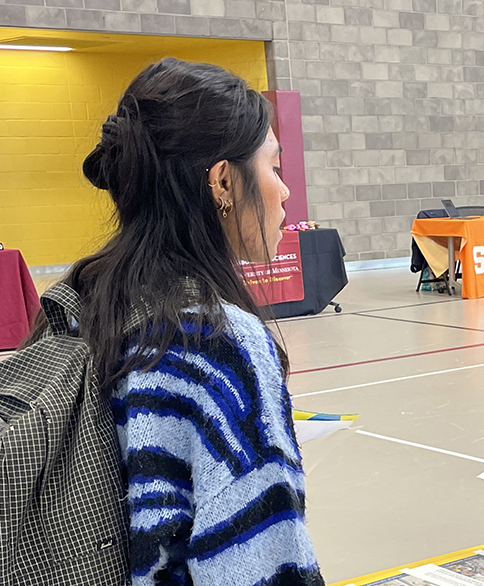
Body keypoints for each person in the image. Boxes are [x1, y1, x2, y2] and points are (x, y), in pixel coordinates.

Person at [26, 58, 323, 585]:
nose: (284, 191)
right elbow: (259, 564)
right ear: (223, 181)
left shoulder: (78, 302)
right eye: (274, 167)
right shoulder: (217, 344)